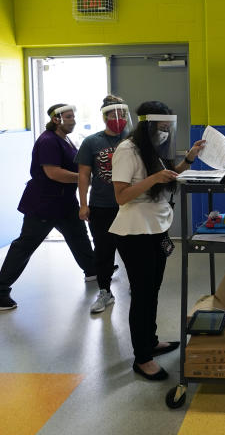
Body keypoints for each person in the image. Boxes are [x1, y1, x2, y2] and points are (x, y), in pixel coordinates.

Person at [110, 101, 205, 380]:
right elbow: (121, 195)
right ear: (147, 124)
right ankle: (142, 358)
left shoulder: (153, 146)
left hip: (156, 228)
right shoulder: (127, 150)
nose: (165, 132)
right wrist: (152, 179)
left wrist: (188, 159)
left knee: (153, 289)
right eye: (161, 127)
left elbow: (167, 176)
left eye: (168, 127)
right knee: (142, 294)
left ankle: (150, 341)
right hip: (135, 232)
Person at [0, 104, 97, 311]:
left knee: (78, 236)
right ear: (56, 119)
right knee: (25, 246)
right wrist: (84, 178)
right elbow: (53, 173)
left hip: (64, 202)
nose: (73, 120)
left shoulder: (65, 139)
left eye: (74, 117)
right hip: (44, 203)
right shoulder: (48, 141)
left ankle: (92, 270)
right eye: (68, 117)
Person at [77, 95, 130, 314]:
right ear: (104, 116)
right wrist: (83, 204)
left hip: (130, 205)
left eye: (121, 114)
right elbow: (83, 175)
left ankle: (138, 286)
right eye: (112, 114)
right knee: (103, 252)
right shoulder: (92, 142)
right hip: (101, 206)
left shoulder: (134, 140)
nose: (117, 118)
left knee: (133, 251)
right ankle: (105, 291)